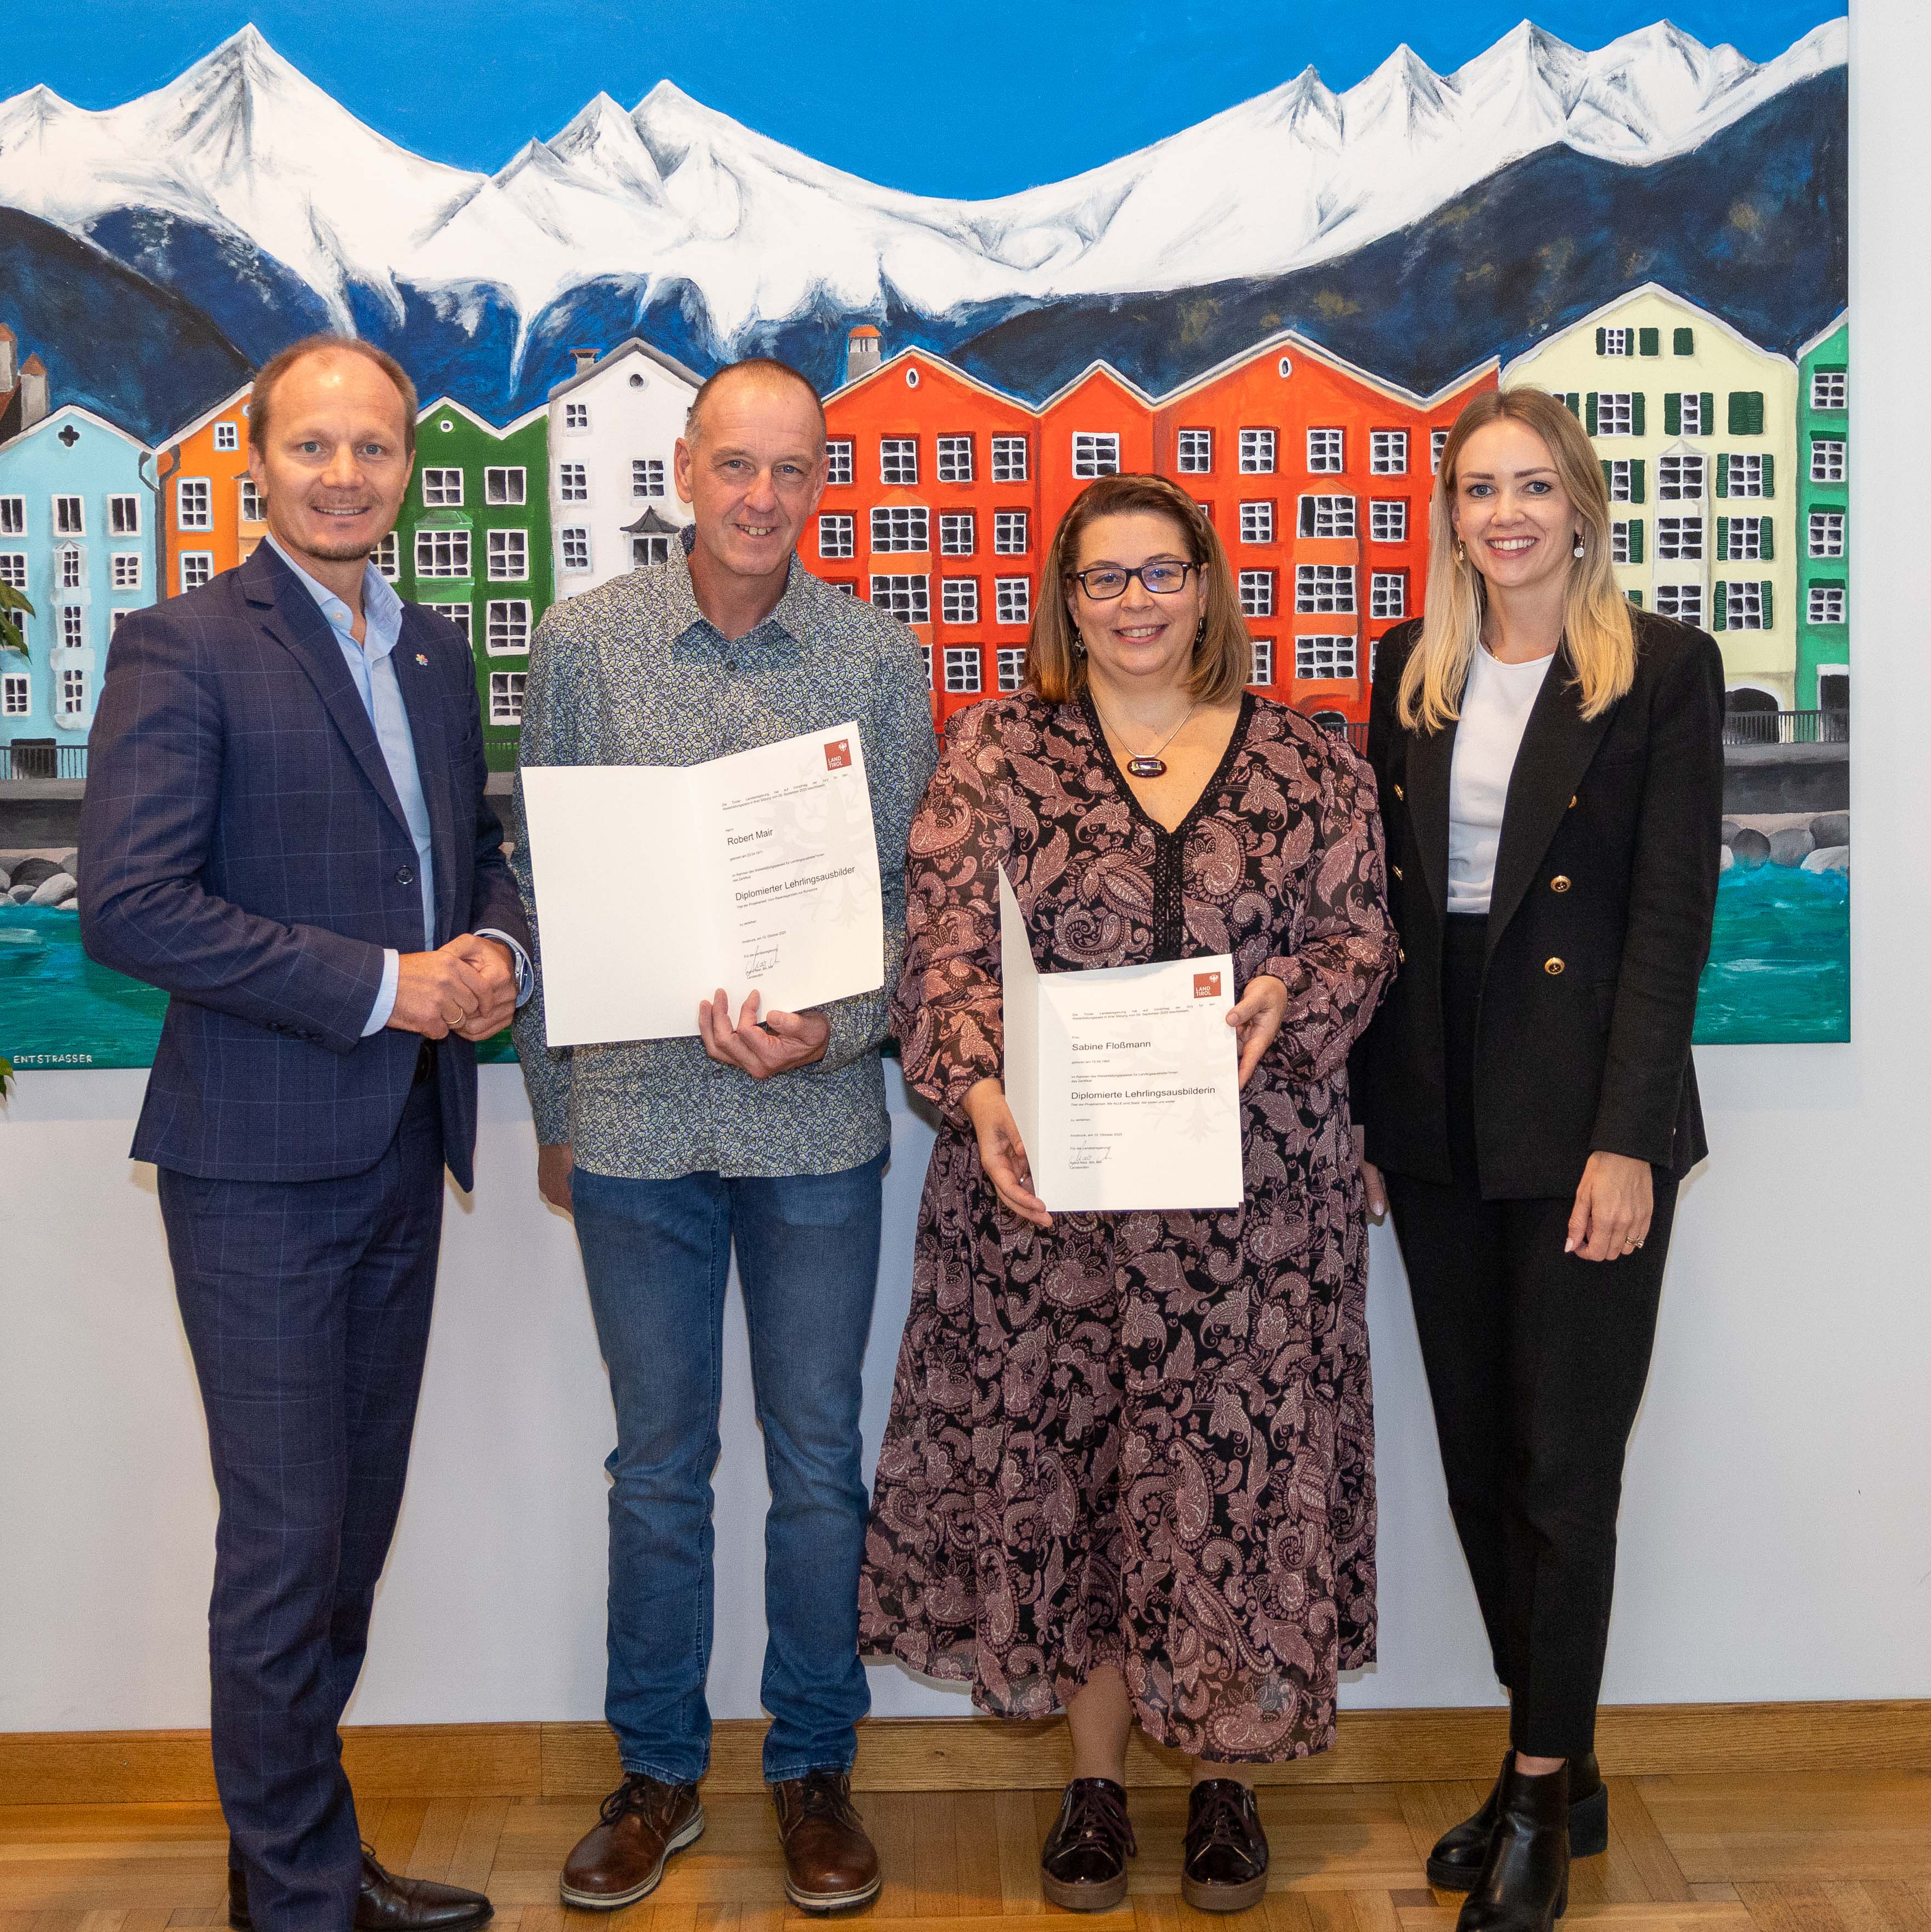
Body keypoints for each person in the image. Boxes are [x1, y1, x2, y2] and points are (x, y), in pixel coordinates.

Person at [861, 473, 1392, 1914]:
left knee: (1228, 1490)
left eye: (1161, 574)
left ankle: (1221, 1784)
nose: (1135, 602)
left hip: (1252, 1221)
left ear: (1206, 587)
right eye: (1104, 579)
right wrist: (977, 1097)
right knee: (1081, 1490)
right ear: (1066, 600)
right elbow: (943, 966)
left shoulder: (1307, 762)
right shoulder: (994, 758)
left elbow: (1360, 943)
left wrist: (1292, 989)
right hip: (1049, 1211)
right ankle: (1093, 1789)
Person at [81, 335, 531, 1932]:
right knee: (284, 1550)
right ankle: (293, 1903)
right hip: (256, 1165)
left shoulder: (434, 651)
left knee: (347, 1540)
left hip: (405, 1148)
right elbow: (131, 909)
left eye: (374, 449)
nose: (345, 476)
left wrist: (495, 952)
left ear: (406, 466)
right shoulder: (183, 643)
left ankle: (301, 1858)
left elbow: (472, 849)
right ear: (256, 463)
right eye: (313, 447)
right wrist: (383, 989)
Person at [509, 358, 936, 1916]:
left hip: (816, 1123)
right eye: (736, 465)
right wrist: (553, 1111)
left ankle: (815, 1768)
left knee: (821, 1468)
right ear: (685, 468)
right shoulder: (584, 642)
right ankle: (657, 1775)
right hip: (630, 1127)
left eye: (796, 472)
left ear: (827, 487)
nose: (763, 498)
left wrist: (849, 1024)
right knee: (657, 1471)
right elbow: (546, 879)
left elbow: (918, 905)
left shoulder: (879, 659)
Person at [1349, 386, 1723, 1932]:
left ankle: (1535, 1783)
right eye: (1475, 488)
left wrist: (1624, 1140)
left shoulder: (1662, 671)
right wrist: (1377, 1116)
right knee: (1479, 1465)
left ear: (1579, 504)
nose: (1503, 513)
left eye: (1531, 485)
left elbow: (1666, 921)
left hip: (1583, 1125)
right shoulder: (1409, 670)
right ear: (1450, 515)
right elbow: (1384, 912)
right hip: (1436, 1122)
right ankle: (1548, 1768)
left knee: (1565, 1474)